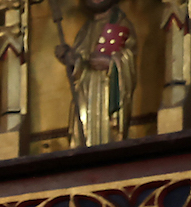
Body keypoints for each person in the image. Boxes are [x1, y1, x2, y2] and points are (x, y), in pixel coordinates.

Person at [56, 0, 136, 148]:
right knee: (81, 132)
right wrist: (70, 58)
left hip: (106, 91)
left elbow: (128, 58)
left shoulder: (120, 23)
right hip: (86, 94)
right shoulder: (86, 29)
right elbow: (80, 64)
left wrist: (111, 64)